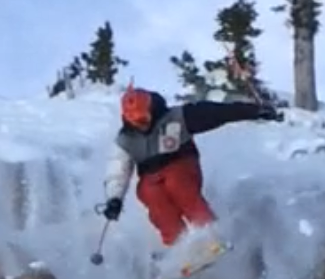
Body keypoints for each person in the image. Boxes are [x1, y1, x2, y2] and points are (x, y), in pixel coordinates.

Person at [101, 85, 282, 247]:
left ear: (151, 109)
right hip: (151, 176)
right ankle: (178, 245)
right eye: (137, 122)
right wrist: (114, 199)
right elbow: (118, 169)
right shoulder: (125, 140)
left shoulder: (176, 118)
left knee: (177, 184)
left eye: (145, 119)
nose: (143, 125)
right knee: (148, 192)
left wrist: (254, 111)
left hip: (180, 165)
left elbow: (216, 113)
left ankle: (210, 233)